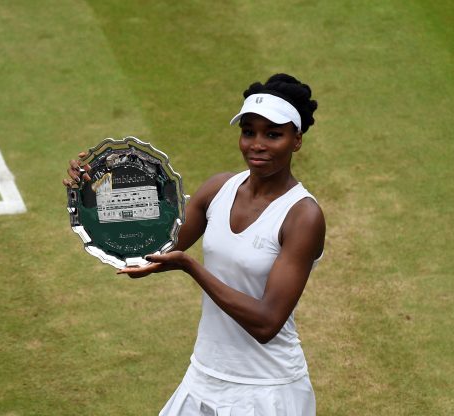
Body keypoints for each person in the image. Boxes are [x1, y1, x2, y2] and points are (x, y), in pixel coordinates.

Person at [64, 73, 325, 415]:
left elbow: (267, 322)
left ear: (296, 140)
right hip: (203, 376)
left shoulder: (302, 216)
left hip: (266, 391)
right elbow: (144, 255)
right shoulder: (219, 188)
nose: (257, 144)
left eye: (273, 134)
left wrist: (191, 267)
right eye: (249, 132)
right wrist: (88, 193)